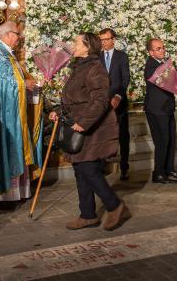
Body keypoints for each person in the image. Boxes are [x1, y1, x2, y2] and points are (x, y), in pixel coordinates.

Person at [49, 32, 130, 231]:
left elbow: (100, 100)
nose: (72, 45)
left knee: (88, 169)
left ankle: (115, 206)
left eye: (76, 42)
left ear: (87, 47)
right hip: (78, 125)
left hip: (93, 128)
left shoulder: (95, 68)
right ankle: (87, 215)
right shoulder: (78, 67)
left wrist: (84, 122)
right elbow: (72, 98)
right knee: (80, 169)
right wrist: (58, 111)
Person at [0, 21, 43, 208]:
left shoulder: (6, 53)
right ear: (6, 34)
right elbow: (2, 85)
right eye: (17, 34)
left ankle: (17, 192)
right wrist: (24, 84)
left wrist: (30, 83)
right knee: (6, 148)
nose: (19, 37)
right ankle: (3, 195)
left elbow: (14, 79)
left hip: (13, 112)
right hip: (3, 114)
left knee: (17, 146)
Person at [143, 37, 177, 184]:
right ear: (151, 52)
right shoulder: (151, 65)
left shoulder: (163, 64)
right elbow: (163, 82)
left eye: (163, 47)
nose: (162, 50)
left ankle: (169, 169)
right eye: (158, 48)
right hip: (157, 109)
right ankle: (159, 173)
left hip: (166, 108)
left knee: (171, 140)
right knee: (162, 141)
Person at [99, 28, 131, 181]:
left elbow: (125, 78)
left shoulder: (121, 56)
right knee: (102, 135)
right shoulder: (96, 57)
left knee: (123, 136)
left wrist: (118, 96)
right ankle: (102, 167)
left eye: (106, 39)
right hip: (102, 104)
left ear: (113, 39)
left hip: (119, 103)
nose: (103, 43)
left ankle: (124, 167)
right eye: (101, 40)